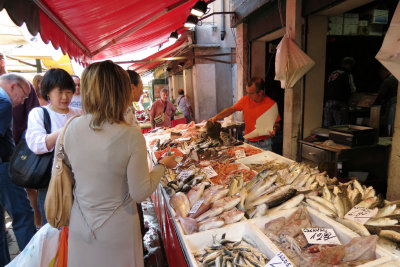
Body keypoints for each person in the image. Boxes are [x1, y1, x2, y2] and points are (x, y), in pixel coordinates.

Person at [60, 60, 176, 266]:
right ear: (121, 92)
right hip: (117, 228)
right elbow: (140, 192)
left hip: (81, 222)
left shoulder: (70, 126)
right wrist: (163, 165)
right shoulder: (130, 135)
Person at [26, 68, 82, 226]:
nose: (65, 97)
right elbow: (37, 144)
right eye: (60, 92)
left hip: (80, 179)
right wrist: (65, 130)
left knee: (77, 225)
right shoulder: (39, 113)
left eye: (69, 92)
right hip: (52, 181)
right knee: (54, 225)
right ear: (48, 92)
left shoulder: (79, 113)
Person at [0, 74, 36, 266]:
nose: (21, 102)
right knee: (23, 215)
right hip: (2, 169)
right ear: (14, 86)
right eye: (23, 96)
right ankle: (33, 261)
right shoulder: (4, 101)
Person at [209, 77, 281, 151]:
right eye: (247, 92)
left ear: (260, 92)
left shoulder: (271, 104)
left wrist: (274, 129)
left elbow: (277, 125)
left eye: (251, 93)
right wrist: (216, 117)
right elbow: (231, 110)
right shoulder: (245, 100)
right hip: (248, 142)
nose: (248, 96)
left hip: (264, 144)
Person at [323, 57, 357, 127]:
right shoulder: (347, 74)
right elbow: (352, 89)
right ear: (348, 65)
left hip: (327, 103)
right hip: (339, 103)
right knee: (341, 128)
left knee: (327, 127)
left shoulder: (332, 73)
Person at [375, 65, 398, 136]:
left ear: (383, 71)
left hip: (393, 106)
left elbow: (380, 95)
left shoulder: (389, 80)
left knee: (391, 123)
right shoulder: (396, 78)